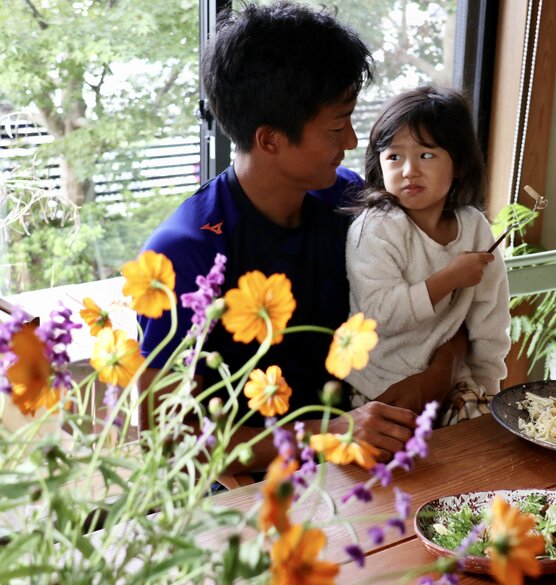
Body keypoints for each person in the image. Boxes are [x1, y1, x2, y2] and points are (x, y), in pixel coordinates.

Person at [137, 2, 465, 474]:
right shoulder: (185, 254)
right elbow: (170, 436)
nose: (352, 141)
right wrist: (328, 436)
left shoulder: (353, 203)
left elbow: (457, 314)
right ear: (270, 139)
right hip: (248, 488)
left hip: (371, 459)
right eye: (337, 126)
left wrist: (435, 375)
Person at [345, 86, 511, 425]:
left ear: (459, 165)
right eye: (394, 156)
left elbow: (490, 314)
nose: (409, 170)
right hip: (379, 387)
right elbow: (379, 313)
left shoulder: (474, 225)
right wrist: (449, 278)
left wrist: (490, 385)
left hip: (456, 382)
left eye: (426, 155)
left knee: (482, 451)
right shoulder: (375, 227)